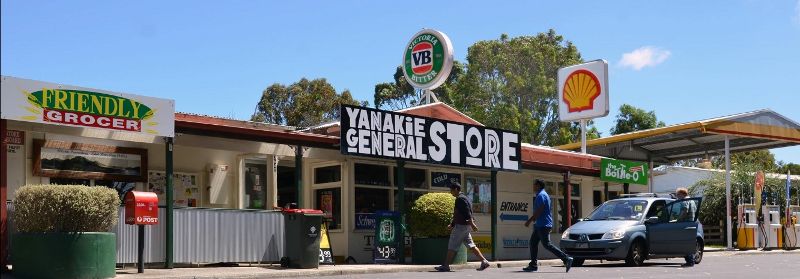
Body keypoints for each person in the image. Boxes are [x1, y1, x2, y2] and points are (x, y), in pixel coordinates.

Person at [434, 181, 492, 272]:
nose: (451, 192)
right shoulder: (466, 198)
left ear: (456, 189)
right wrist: (452, 224)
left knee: (452, 246)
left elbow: (467, 212)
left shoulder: (460, 199)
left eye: (452, 190)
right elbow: (459, 213)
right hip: (465, 227)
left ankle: (446, 266)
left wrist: (472, 224)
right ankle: (484, 261)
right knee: (471, 245)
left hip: (460, 227)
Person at [523, 179, 573, 272]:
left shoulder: (541, 195)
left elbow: (540, 209)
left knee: (547, 245)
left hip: (543, 225)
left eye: (534, 185)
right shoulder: (542, 194)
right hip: (540, 224)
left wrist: (529, 220)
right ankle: (533, 265)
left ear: (538, 186)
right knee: (533, 243)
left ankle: (566, 259)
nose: (533, 186)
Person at [675, 187, 697, 267]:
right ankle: (691, 260)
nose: (677, 196)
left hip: (685, 224)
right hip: (691, 224)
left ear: (683, 194)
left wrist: (678, 220)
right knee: (690, 242)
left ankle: (690, 261)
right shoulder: (692, 201)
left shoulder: (685, 201)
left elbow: (684, 210)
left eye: (678, 194)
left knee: (685, 243)